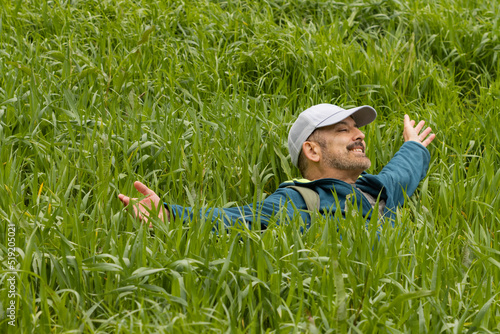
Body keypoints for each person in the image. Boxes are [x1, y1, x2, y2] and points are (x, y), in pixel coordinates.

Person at [118, 103, 435, 230]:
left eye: (357, 128)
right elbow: (236, 219)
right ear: (311, 150)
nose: (360, 134)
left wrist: (414, 147)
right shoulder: (298, 202)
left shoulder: (375, 190)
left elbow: (402, 173)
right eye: (343, 130)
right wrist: (170, 214)